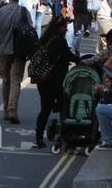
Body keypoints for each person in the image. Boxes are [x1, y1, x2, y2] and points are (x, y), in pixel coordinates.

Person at [30, 16, 83, 149]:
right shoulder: (59, 41)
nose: (66, 29)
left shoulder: (45, 40)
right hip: (57, 80)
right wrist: (81, 61)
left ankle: (38, 138)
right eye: (64, 27)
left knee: (45, 109)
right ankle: (64, 137)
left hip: (43, 80)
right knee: (64, 108)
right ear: (58, 28)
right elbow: (68, 55)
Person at [0, 0, 33, 124]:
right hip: (19, 51)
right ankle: (12, 110)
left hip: (3, 50)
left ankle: (5, 109)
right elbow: (31, 30)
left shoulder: (0, 12)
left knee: (6, 80)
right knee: (16, 81)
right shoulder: (24, 12)